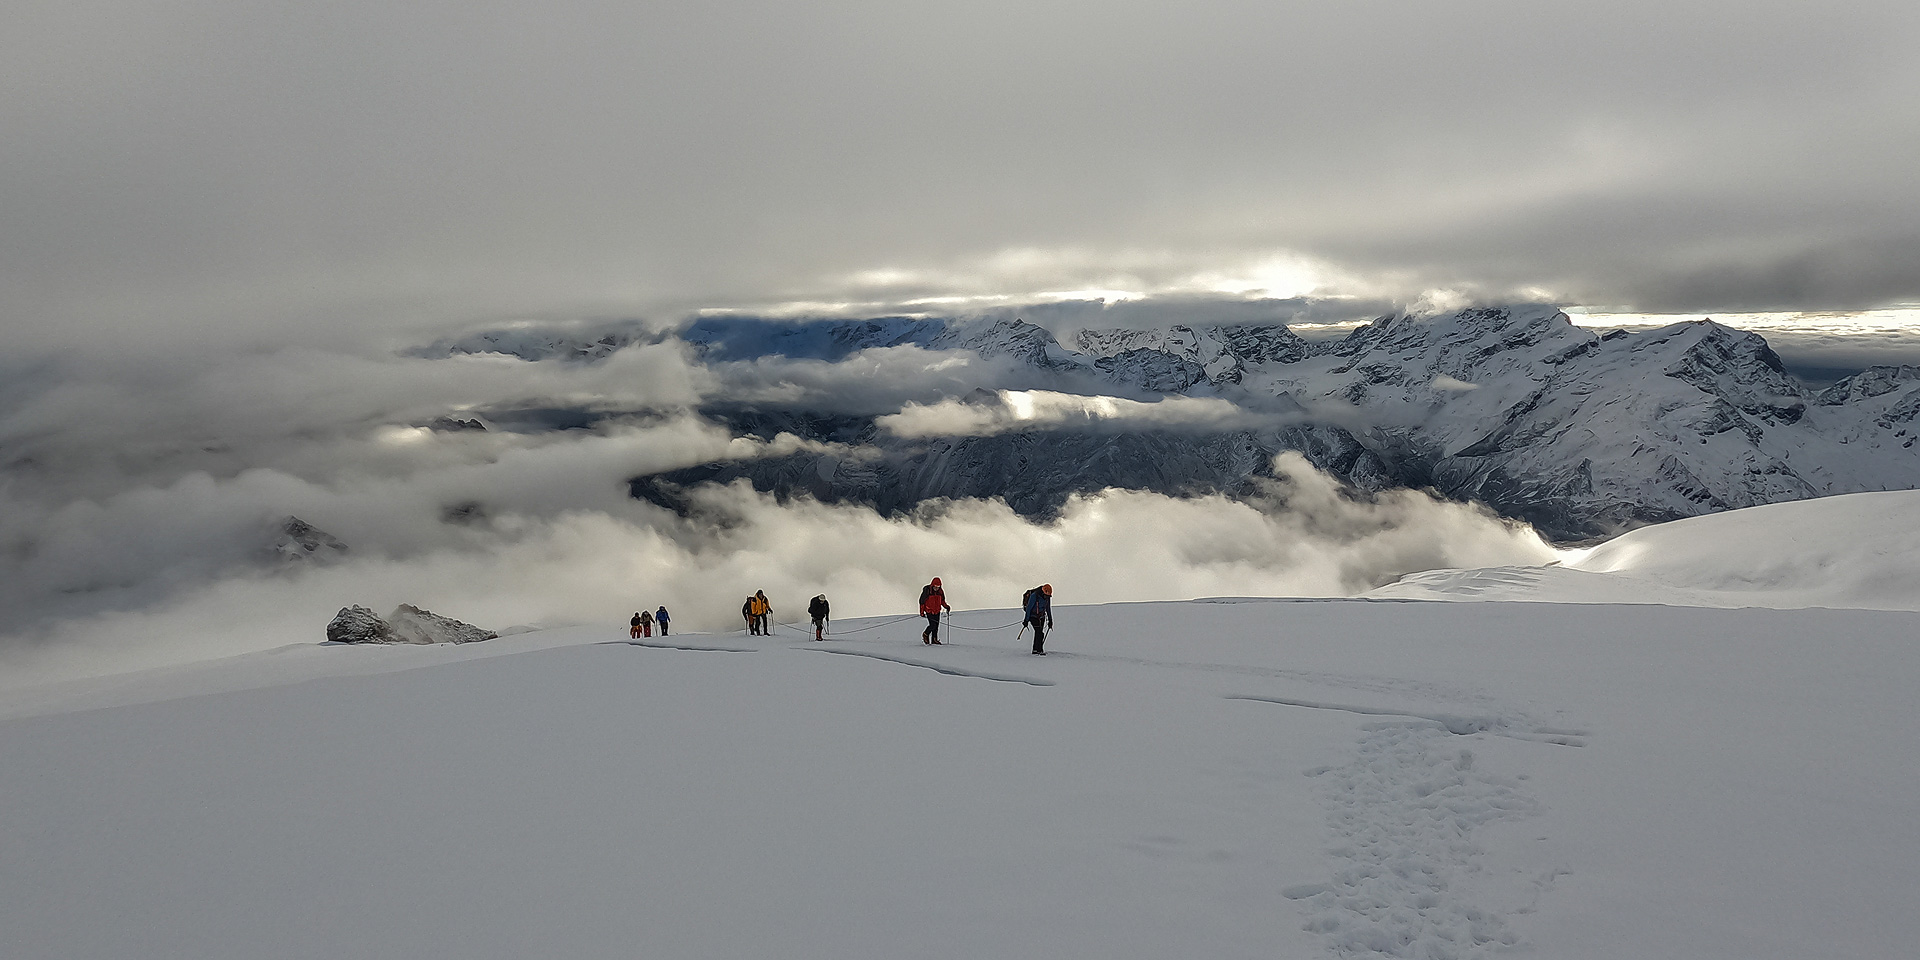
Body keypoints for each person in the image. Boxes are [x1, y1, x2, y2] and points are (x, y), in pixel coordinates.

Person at [1022, 583, 1054, 655]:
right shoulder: (1034, 596)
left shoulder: (1047, 598)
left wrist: (1050, 620)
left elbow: (1048, 608)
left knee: (1039, 633)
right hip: (1033, 616)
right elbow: (1029, 608)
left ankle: (1037, 649)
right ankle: (1037, 650)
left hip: (1041, 617)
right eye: (1046, 596)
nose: (1047, 597)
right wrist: (1026, 620)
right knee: (1039, 632)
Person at [919, 577, 950, 644]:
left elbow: (942, 601)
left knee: (936, 626)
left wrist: (946, 606)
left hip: (937, 611)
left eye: (938, 587)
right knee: (932, 625)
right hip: (929, 611)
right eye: (935, 586)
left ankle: (934, 639)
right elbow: (922, 602)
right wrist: (922, 612)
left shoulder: (940, 592)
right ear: (932, 585)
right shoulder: (927, 591)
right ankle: (925, 634)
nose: (936, 588)